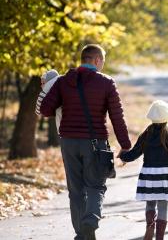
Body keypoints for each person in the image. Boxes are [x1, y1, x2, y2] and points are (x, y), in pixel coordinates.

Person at [39, 44, 131, 240]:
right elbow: (117, 116)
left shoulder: (63, 81)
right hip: (95, 143)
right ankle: (90, 221)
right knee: (96, 186)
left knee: (76, 190)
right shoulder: (106, 83)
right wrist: (125, 145)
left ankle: (82, 234)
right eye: (103, 61)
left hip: (69, 143)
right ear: (97, 60)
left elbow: (46, 110)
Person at [119, 100, 168, 240]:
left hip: (148, 175)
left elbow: (134, 153)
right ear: (167, 117)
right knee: (163, 207)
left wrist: (122, 156)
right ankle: (160, 237)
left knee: (150, 204)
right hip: (164, 176)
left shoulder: (146, 134)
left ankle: (150, 227)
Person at [35, 69, 62, 133]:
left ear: (49, 82)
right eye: (41, 83)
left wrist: (37, 112)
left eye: (43, 83)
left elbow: (38, 110)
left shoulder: (44, 92)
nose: (41, 85)